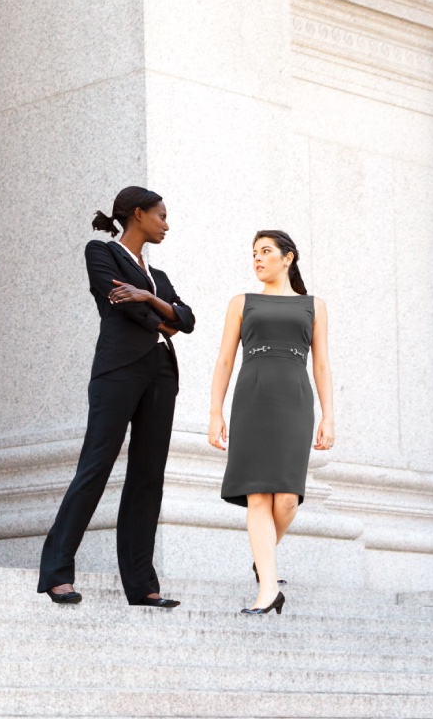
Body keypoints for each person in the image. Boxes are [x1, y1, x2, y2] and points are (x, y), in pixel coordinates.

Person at [38, 186, 195, 607]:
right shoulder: (100, 252)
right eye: (161, 215)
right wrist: (162, 316)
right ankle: (56, 572)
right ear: (139, 214)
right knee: (96, 465)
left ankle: (142, 585)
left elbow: (189, 319)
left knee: (148, 478)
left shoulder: (156, 278)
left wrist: (147, 296)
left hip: (162, 374)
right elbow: (120, 304)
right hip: (119, 370)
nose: (166, 224)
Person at [207, 230, 335, 616]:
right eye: (254, 253)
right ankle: (268, 587)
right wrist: (216, 412)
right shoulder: (241, 303)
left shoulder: (314, 305)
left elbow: (323, 363)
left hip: (295, 400)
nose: (258, 259)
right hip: (252, 398)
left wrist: (329, 416)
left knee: (288, 498)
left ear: (288, 257)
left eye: (266, 252)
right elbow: (225, 360)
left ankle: (264, 561)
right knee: (258, 495)